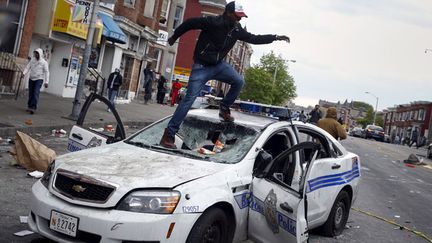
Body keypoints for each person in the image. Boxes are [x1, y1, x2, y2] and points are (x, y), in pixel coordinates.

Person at [159, 1, 290, 148]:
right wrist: (174, 37)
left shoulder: (236, 29)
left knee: (239, 81)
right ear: (228, 13)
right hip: (201, 67)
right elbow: (189, 23)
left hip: (218, 66)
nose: (239, 20)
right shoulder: (213, 22)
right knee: (188, 100)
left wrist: (275, 37)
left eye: (241, 17)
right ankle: (168, 135)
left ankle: (224, 108)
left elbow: (253, 38)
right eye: (237, 16)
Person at [22, 48, 50, 114]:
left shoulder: (44, 62)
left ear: (40, 54)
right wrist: (23, 73)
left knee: (35, 93)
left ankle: (33, 108)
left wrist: (46, 82)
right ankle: (29, 106)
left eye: (37, 53)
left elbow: (47, 72)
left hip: (39, 79)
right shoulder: (32, 60)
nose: (36, 54)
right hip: (31, 78)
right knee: (31, 93)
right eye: (35, 53)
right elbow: (27, 67)